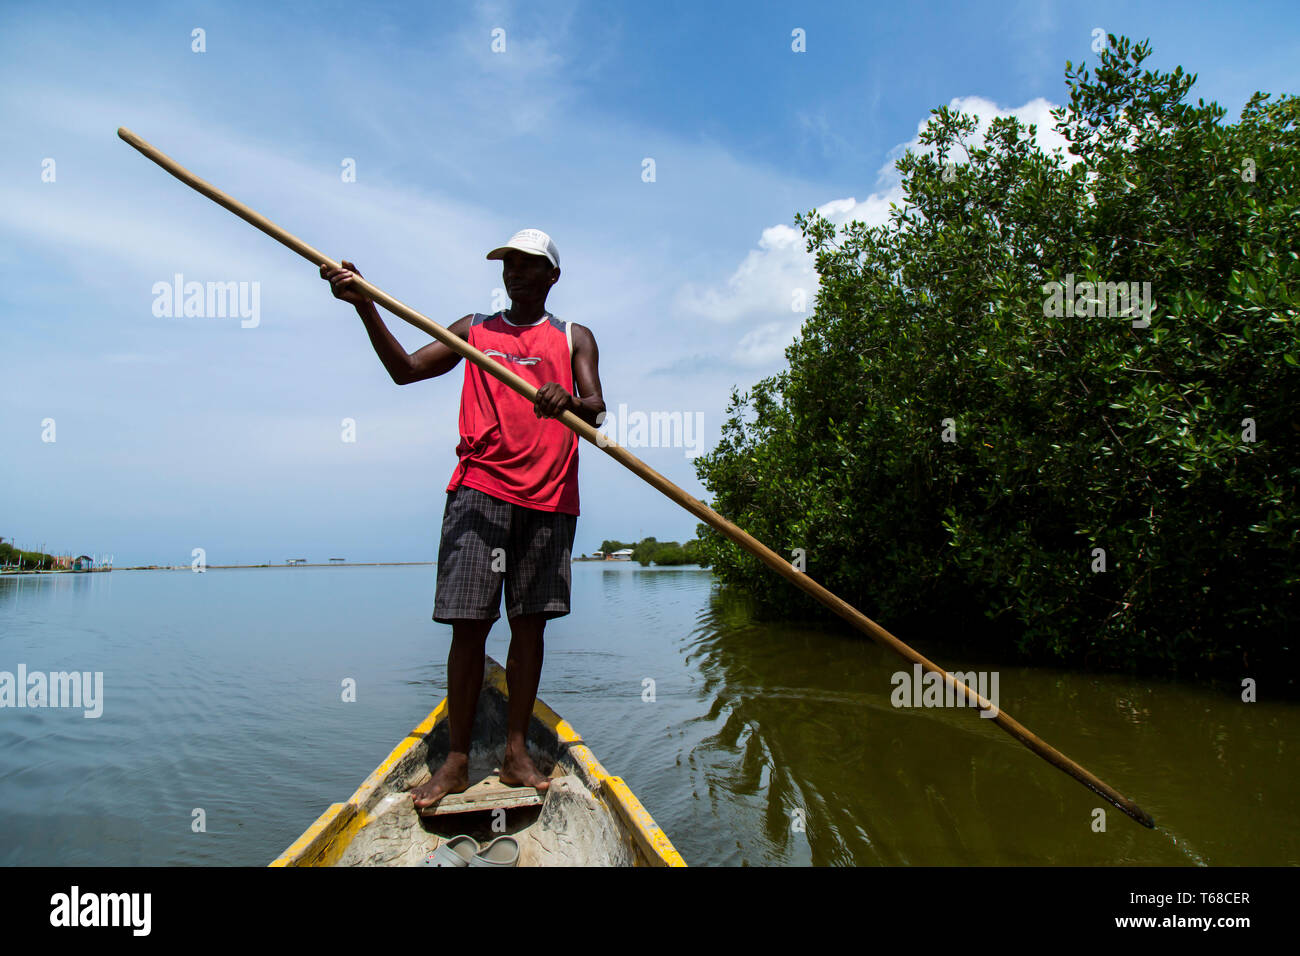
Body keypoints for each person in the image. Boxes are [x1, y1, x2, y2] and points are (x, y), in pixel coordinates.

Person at [321, 228, 605, 809]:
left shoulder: (575, 336)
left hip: (549, 498)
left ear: (552, 276)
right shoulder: (473, 329)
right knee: (468, 625)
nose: (515, 274)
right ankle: (454, 759)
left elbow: (595, 410)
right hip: (479, 494)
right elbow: (404, 369)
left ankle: (516, 751)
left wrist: (567, 400)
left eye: (529, 267)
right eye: (509, 265)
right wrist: (365, 306)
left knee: (531, 625)